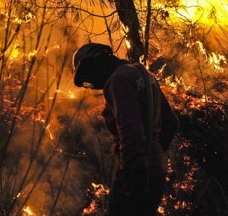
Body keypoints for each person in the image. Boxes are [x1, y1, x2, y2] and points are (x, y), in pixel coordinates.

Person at [73, 43, 180, 215]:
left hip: (135, 172)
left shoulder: (118, 80)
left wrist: (133, 174)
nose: (92, 81)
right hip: (155, 171)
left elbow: (130, 132)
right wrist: (155, 154)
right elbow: (171, 123)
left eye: (89, 74)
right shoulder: (144, 75)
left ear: (97, 64)